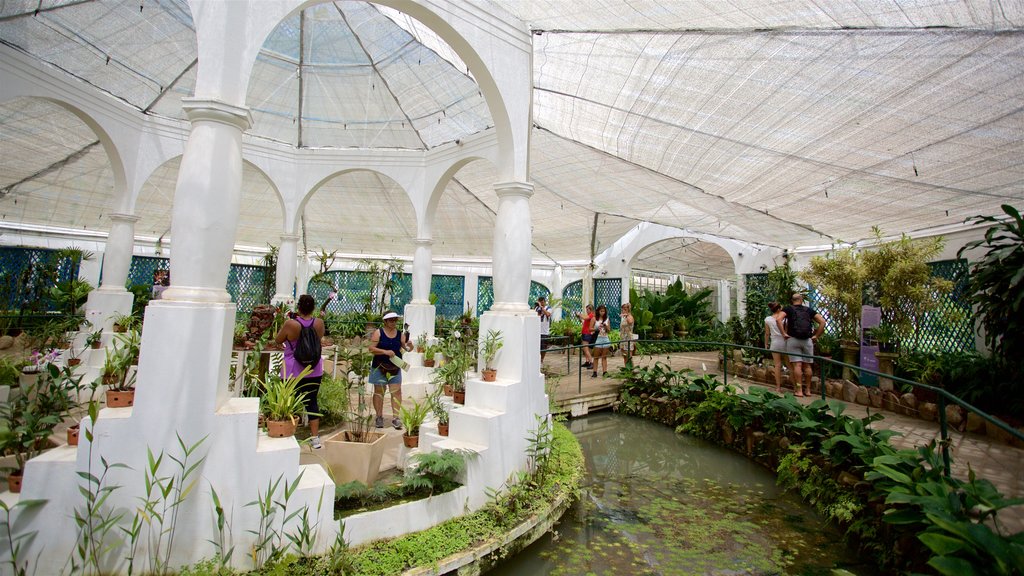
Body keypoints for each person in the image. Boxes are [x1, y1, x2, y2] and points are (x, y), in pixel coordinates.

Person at [274, 294, 326, 449]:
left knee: (288, 402)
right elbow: (318, 339)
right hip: (314, 369)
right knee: (312, 401)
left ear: (298, 307)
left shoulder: (291, 324)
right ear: (313, 308)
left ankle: (290, 434)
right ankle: (315, 438)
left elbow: (278, 340)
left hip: (292, 370)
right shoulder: (319, 323)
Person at [368, 310, 412, 429]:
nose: (393, 322)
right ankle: (379, 416)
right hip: (379, 366)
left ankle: (395, 417)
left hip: (395, 367)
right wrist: (384, 352)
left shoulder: (400, 334)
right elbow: (371, 348)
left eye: (395, 320)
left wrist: (410, 346)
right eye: (391, 320)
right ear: (385, 321)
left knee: (396, 391)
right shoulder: (379, 333)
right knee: (379, 392)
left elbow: (405, 347)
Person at [777, 293, 825, 397]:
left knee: (797, 365)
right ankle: (807, 390)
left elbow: (778, 319)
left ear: (792, 300)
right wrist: (816, 336)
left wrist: (783, 333)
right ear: (802, 300)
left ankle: (799, 390)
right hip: (807, 340)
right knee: (807, 365)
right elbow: (822, 322)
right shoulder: (808, 310)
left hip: (793, 339)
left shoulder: (788, 309)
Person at [763, 301, 788, 394]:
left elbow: (767, 333)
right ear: (779, 309)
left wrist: (766, 344)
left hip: (775, 342)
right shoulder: (785, 319)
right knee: (789, 364)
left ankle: (778, 387)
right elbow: (787, 331)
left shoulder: (768, 319)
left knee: (777, 365)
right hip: (785, 342)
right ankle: (796, 387)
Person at [591, 305, 612, 377]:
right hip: (598, 338)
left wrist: (605, 326)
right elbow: (590, 329)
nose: (602, 313)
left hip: (605, 338)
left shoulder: (607, 319)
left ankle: (605, 372)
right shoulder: (594, 319)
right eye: (601, 311)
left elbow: (609, 331)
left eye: (603, 311)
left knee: (604, 356)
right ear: (598, 311)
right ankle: (594, 372)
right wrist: (597, 328)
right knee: (596, 356)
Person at [577, 304, 595, 369]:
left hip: (587, 333)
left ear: (591, 309)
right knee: (585, 349)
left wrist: (579, 314)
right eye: (586, 309)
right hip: (585, 333)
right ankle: (587, 362)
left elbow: (584, 318)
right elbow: (583, 321)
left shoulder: (591, 315)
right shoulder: (589, 316)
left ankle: (592, 362)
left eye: (588, 309)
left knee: (585, 349)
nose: (586, 311)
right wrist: (579, 317)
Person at [536, 296, 553, 361]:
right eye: (540, 302)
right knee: (537, 347)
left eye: (542, 302)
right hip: (537, 331)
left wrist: (541, 307)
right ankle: (537, 360)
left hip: (544, 331)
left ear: (544, 301)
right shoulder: (537, 308)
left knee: (543, 347)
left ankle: (542, 360)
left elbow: (548, 314)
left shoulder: (548, 308)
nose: (541, 303)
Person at [619, 302, 635, 367]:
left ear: (627, 309)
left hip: (628, 338)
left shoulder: (630, 316)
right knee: (624, 355)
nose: (622, 311)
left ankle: (632, 369)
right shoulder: (625, 317)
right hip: (623, 338)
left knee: (629, 355)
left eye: (623, 309)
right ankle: (626, 369)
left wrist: (626, 315)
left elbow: (630, 322)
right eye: (622, 309)